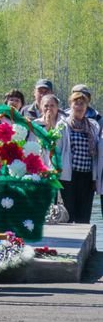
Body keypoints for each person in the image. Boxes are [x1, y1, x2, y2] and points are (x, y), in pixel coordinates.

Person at [55, 90, 102, 224]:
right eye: (76, 103)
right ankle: (68, 240)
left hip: (87, 176)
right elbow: (57, 150)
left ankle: (84, 239)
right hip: (69, 175)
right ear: (71, 105)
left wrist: (95, 177)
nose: (79, 107)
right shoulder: (63, 125)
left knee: (84, 214)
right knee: (68, 212)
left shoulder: (93, 125)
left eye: (83, 104)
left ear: (87, 107)